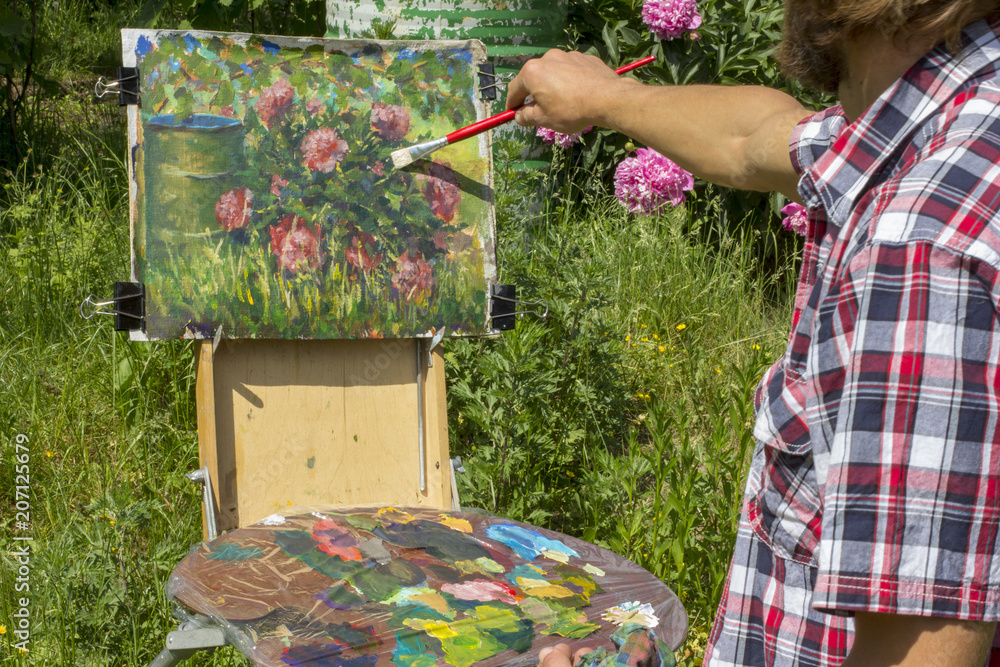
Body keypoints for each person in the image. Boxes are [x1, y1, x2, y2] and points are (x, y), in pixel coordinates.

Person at [505, 1, 1000, 665]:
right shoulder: (952, 118)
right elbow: (754, 139)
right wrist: (605, 95)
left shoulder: (922, 248)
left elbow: (917, 653)